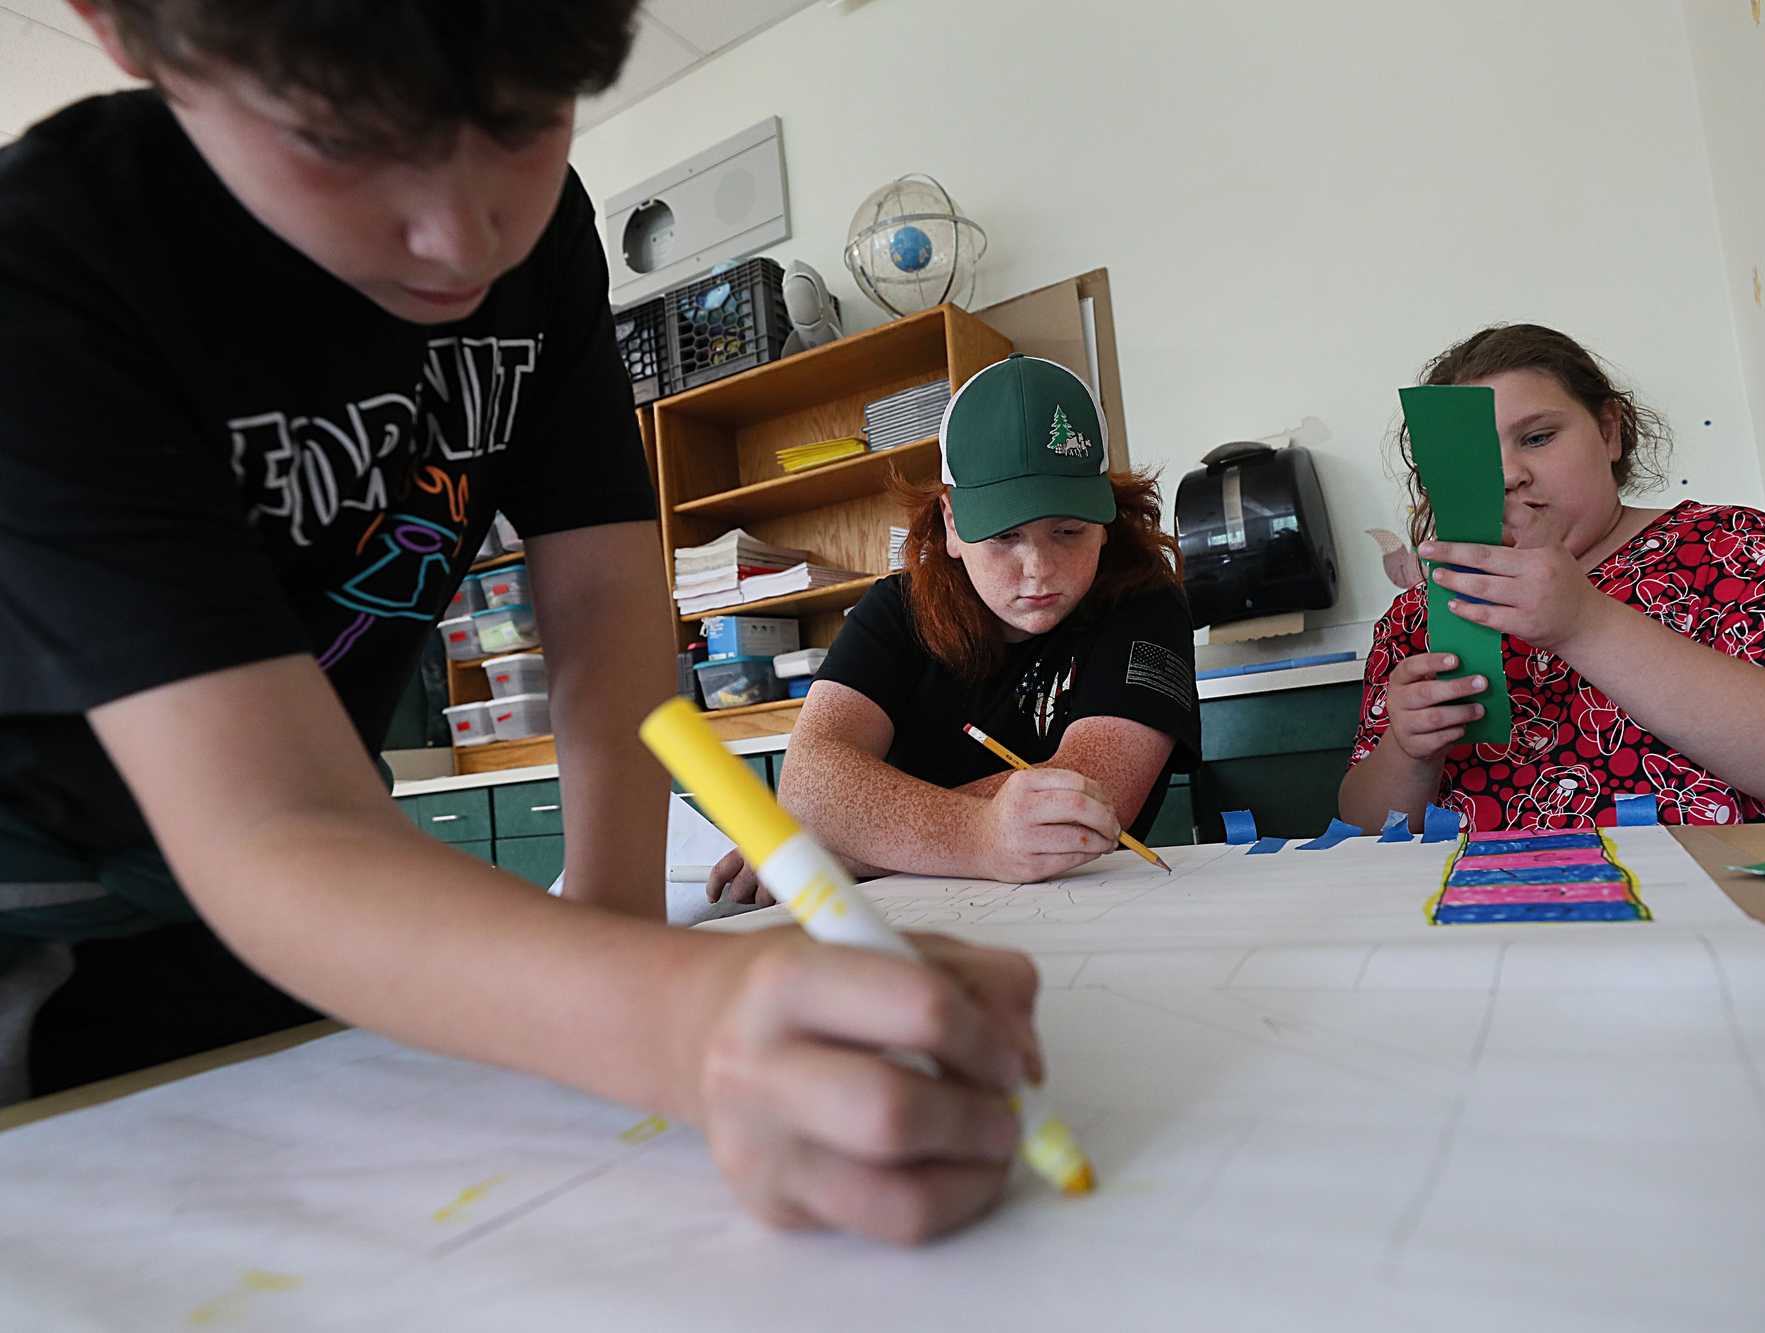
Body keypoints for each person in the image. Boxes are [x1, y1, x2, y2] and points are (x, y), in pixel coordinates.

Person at [0, 1, 1041, 1245]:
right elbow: (273, 820)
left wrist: (616, 943)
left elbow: (603, 607)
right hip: (40, 894)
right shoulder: (51, 270)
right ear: (119, 26)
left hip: (304, 863)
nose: (461, 235)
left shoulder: (536, 234)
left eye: (522, 125)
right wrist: (674, 1016)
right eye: (337, 141)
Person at [1340, 324, 1765, 834]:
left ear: (1608, 431)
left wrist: (1583, 623)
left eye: (1538, 437)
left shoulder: (1738, 545)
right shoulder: (1417, 617)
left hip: (1712, 904)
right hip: (1480, 914)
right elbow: (1362, 830)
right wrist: (1408, 752)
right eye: (1471, 453)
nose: (1506, 474)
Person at [707, 355, 1200, 906]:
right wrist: (979, 835)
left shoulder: (1144, 601)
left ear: (1106, 522)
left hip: (1094, 908)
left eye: (1068, 531)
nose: (1038, 569)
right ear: (952, 524)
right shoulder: (896, 610)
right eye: (1003, 536)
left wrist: (845, 841)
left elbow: (1086, 799)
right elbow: (811, 785)